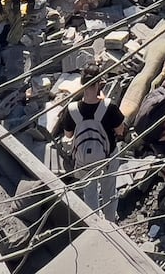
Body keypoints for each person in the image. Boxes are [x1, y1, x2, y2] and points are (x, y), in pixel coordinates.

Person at [60, 62, 126, 219]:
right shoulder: (109, 107)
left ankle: (94, 222)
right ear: (98, 84)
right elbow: (120, 131)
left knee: (89, 192)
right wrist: (103, 101)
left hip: (83, 160)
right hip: (107, 157)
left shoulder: (72, 109)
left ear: (82, 83)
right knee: (109, 189)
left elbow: (68, 135)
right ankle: (110, 220)